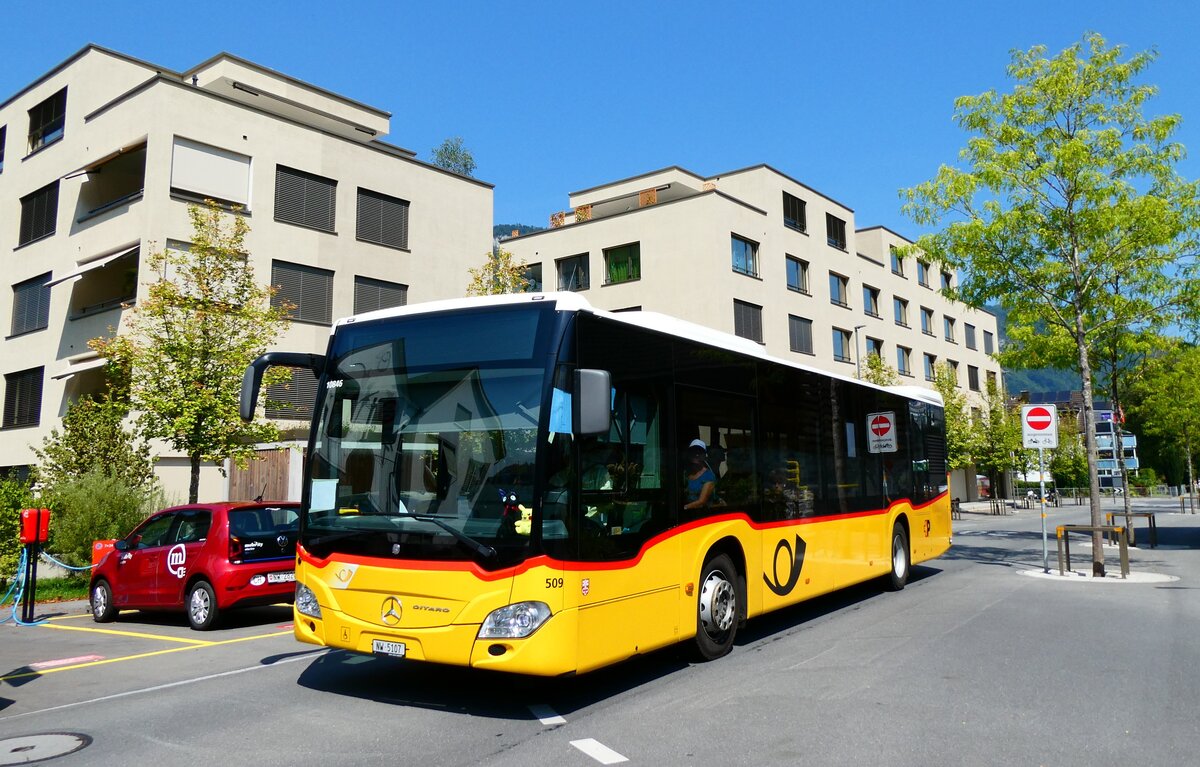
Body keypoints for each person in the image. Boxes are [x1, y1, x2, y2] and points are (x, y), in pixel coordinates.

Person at [684, 439, 717, 510]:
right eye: (694, 451)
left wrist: (685, 507)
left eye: (700, 452)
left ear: (704, 456)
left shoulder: (709, 476)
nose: (696, 454)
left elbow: (701, 502)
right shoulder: (686, 474)